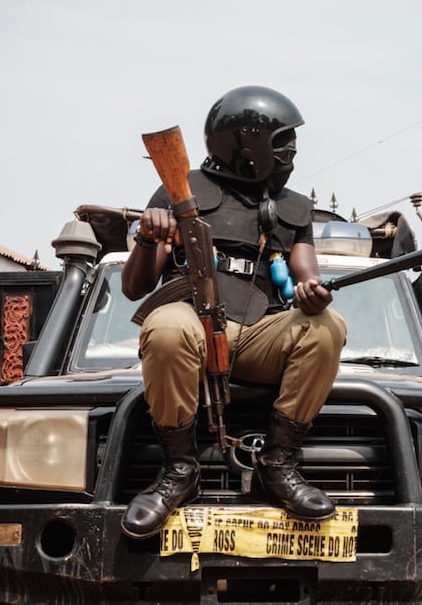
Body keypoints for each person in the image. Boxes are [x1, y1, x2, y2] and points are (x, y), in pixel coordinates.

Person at [118, 86, 348, 540]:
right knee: (165, 328)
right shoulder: (178, 190)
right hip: (194, 330)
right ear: (248, 143)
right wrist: (149, 239)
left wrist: (312, 294)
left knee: (327, 327)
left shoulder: (293, 207)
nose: (291, 150)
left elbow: (306, 274)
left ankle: (278, 464)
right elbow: (134, 288)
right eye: (283, 141)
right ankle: (179, 471)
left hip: (262, 333)